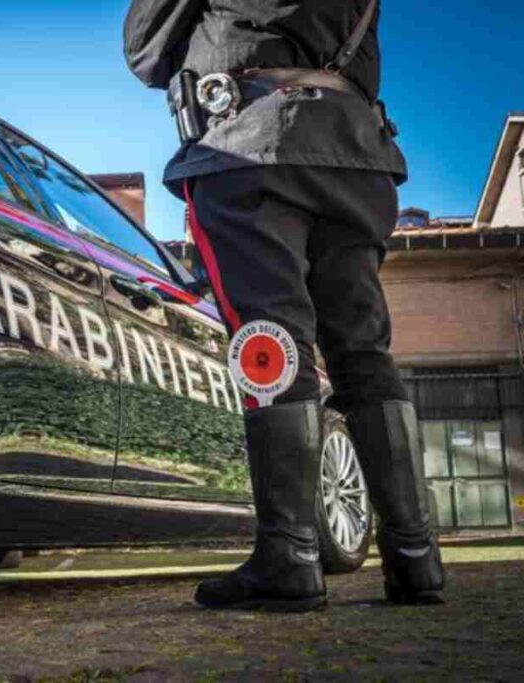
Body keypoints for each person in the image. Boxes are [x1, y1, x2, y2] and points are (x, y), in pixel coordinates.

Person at [124, 0, 445, 611]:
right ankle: (415, 557)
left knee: (272, 345)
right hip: (356, 155)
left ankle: (290, 557)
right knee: (363, 350)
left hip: (252, 146)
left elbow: (146, 51)